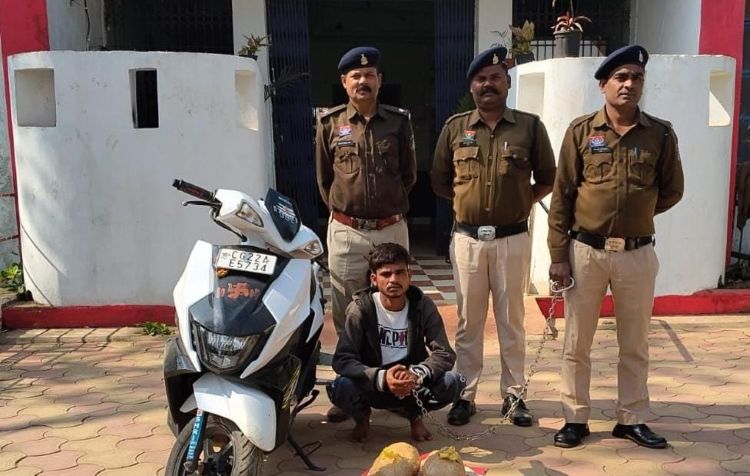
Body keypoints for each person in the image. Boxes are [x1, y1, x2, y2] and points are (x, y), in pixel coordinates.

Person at [547, 45, 684, 449]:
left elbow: (672, 190)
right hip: (585, 252)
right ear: (603, 85)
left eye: (636, 77)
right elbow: (562, 196)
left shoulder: (660, 134)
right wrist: (558, 257)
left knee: (635, 342)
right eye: (620, 77)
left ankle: (632, 418)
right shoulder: (580, 131)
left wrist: (635, 213)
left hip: (637, 254)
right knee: (577, 342)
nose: (629, 84)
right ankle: (575, 418)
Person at [431, 46, 557, 427]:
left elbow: (547, 178)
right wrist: (469, 203)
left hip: (512, 239)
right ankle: (464, 394)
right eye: (481, 79)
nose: (488, 84)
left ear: (507, 83)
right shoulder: (455, 128)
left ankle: (514, 395)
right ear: (472, 86)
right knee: (468, 321)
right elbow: (439, 181)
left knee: (511, 320)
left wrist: (519, 202)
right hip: (468, 240)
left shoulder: (529, 127)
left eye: (496, 78)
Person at [315, 46, 417, 423]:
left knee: (395, 309)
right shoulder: (329, 124)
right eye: (355, 76)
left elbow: (409, 175)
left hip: (391, 227)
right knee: (348, 314)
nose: (363, 80)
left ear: (379, 80)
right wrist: (349, 212)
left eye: (369, 74)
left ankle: (398, 390)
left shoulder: (399, 123)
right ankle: (350, 392)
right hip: (347, 230)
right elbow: (324, 180)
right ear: (344, 82)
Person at [326, 243, 465, 442]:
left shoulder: (422, 305)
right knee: (340, 387)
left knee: (453, 382)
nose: (394, 280)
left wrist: (416, 374)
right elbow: (342, 359)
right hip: (374, 384)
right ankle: (362, 418)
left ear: (409, 275)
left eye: (400, 273)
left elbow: (444, 353)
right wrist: (382, 377)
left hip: (412, 385)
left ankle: (415, 416)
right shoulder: (361, 309)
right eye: (386, 274)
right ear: (374, 279)